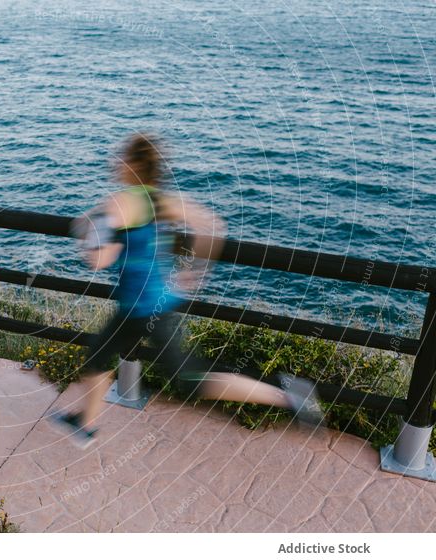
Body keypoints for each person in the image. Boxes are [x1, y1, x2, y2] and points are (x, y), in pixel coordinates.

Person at [50, 133, 322, 449]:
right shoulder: (160, 200)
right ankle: (85, 422)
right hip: (149, 302)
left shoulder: (121, 203)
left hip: (144, 309)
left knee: (191, 380)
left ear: (135, 165)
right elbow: (213, 224)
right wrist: (195, 273)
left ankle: (288, 395)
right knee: (98, 355)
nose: (116, 162)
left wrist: (93, 239)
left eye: (123, 157)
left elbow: (98, 259)